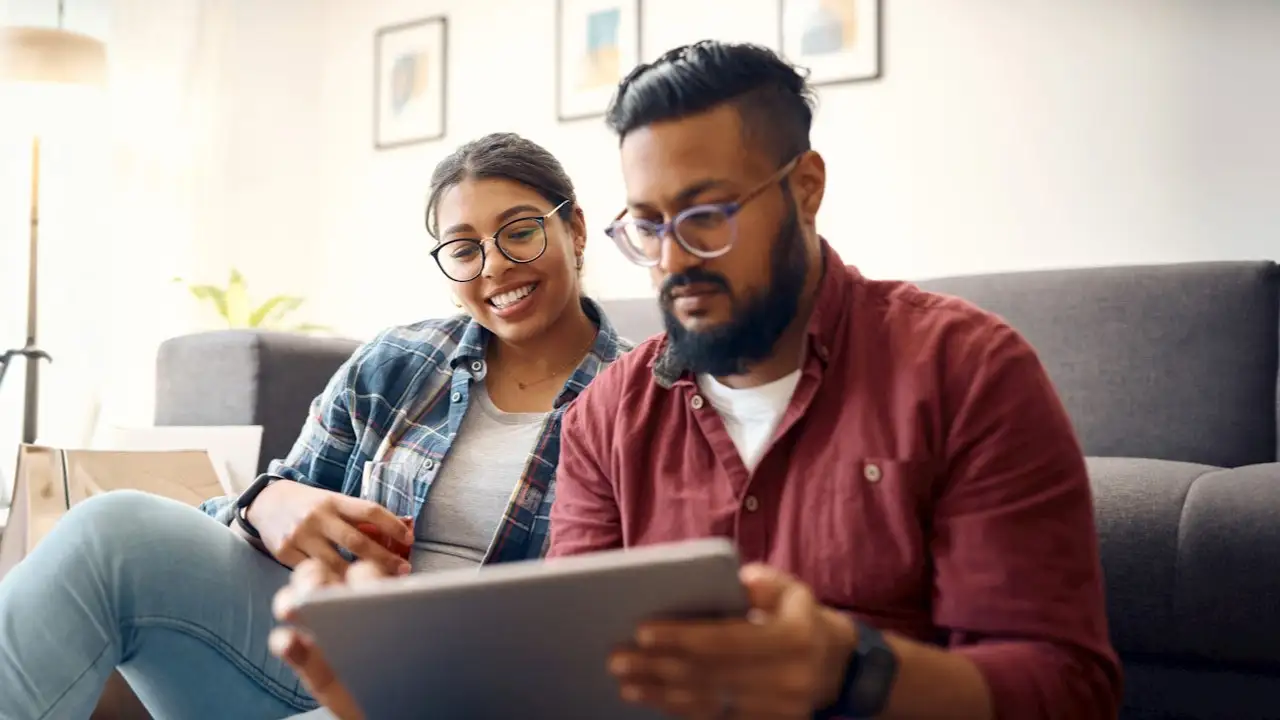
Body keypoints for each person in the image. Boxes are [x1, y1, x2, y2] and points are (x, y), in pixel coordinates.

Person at [273, 41, 1122, 719]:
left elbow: (1066, 689)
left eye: (706, 215)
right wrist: (381, 693)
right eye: (646, 225)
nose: (673, 260)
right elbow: (570, 685)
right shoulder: (609, 415)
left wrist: (855, 672)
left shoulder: (967, 372)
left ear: (807, 189)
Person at [0, 131, 632, 720]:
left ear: (575, 229)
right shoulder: (400, 362)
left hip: (470, 690)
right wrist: (267, 502)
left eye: (520, 232)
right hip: (315, 646)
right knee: (112, 528)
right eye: (465, 248)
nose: (493, 266)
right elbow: (264, 513)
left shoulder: (644, 396)